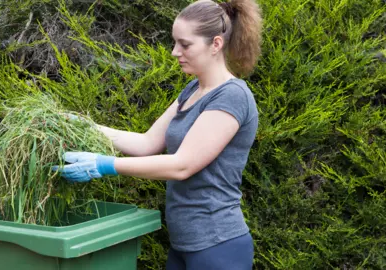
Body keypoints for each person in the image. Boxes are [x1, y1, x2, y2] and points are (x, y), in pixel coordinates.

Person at [52, 0, 262, 268]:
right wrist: (87, 126)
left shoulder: (232, 96)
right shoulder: (192, 91)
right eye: (175, 42)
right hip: (184, 244)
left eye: (185, 44)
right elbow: (147, 142)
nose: (175, 52)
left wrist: (103, 165)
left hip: (217, 245)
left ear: (216, 44)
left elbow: (182, 165)